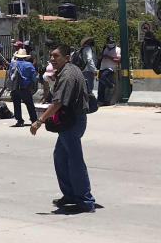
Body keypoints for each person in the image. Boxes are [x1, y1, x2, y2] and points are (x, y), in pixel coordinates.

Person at [31, 43, 95, 212]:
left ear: (67, 58)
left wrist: (40, 121)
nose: (52, 59)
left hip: (72, 122)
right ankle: (70, 194)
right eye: (51, 55)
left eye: (56, 56)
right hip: (71, 121)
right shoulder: (69, 70)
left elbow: (58, 102)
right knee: (60, 156)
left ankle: (85, 200)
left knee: (75, 161)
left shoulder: (67, 75)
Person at [9, 48, 39, 127]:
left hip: (15, 87)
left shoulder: (12, 64)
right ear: (25, 57)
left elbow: (9, 75)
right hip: (25, 88)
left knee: (16, 104)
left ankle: (19, 120)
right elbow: (34, 77)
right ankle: (33, 120)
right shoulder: (29, 65)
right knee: (29, 104)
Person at [97, 36, 120, 106]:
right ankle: (101, 100)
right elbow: (99, 57)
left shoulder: (118, 49)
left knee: (103, 76)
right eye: (110, 42)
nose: (111, 43)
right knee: (101, 84)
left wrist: (108, 57)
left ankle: (111, 86)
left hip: (111, 68)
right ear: (107, 43)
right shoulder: (105, 48)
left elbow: (118, 60)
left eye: (112, 42)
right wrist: (101, 55)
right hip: (102, 67)